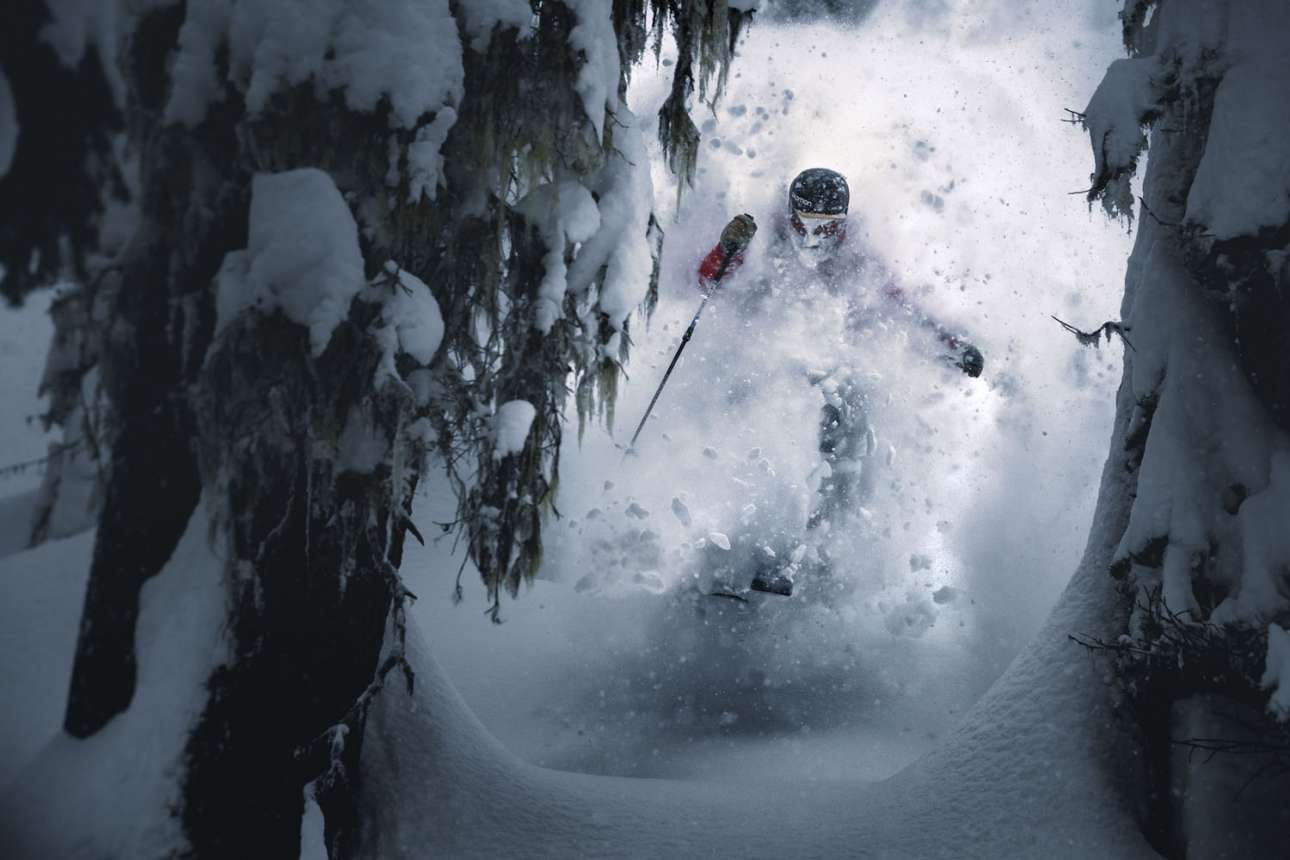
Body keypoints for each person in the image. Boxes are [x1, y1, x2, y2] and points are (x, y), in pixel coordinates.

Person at [694, 167, 984, 597]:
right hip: (764, 363)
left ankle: (815, 554)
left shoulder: (856, 261)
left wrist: (953, 347)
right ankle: (732, 544)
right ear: (790, 215)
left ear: (842, 224)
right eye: (804, 223)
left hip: (829, 371)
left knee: (845, 425)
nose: (814, 236)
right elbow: (709, 283)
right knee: (759, 427)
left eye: (827, 226)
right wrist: (727, 249)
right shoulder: (766, 243)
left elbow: (901, 309)